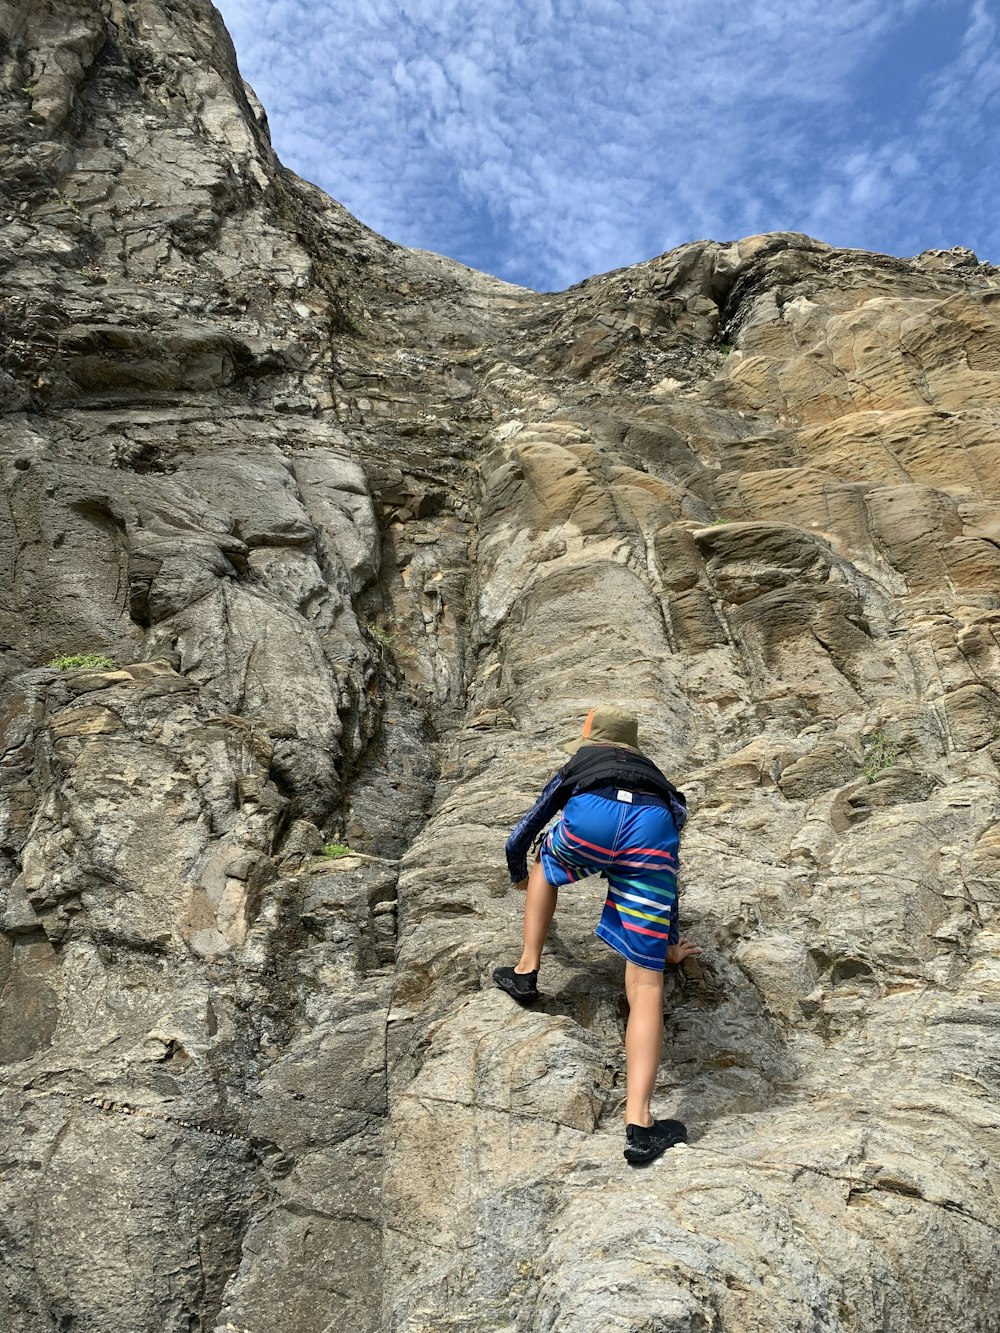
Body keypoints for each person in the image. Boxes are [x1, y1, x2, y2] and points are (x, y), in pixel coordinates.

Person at [492, 705, 699, 1166]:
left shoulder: (580, 766)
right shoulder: (661, 784)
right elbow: (669, 868)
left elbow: (522, 832)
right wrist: (668, 941)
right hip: (651, 829)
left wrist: (520, 874)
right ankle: (641, 1125)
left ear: (592, 743)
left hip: (592, 822)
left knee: (547, 856)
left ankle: (526, 970)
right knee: (647, 987)